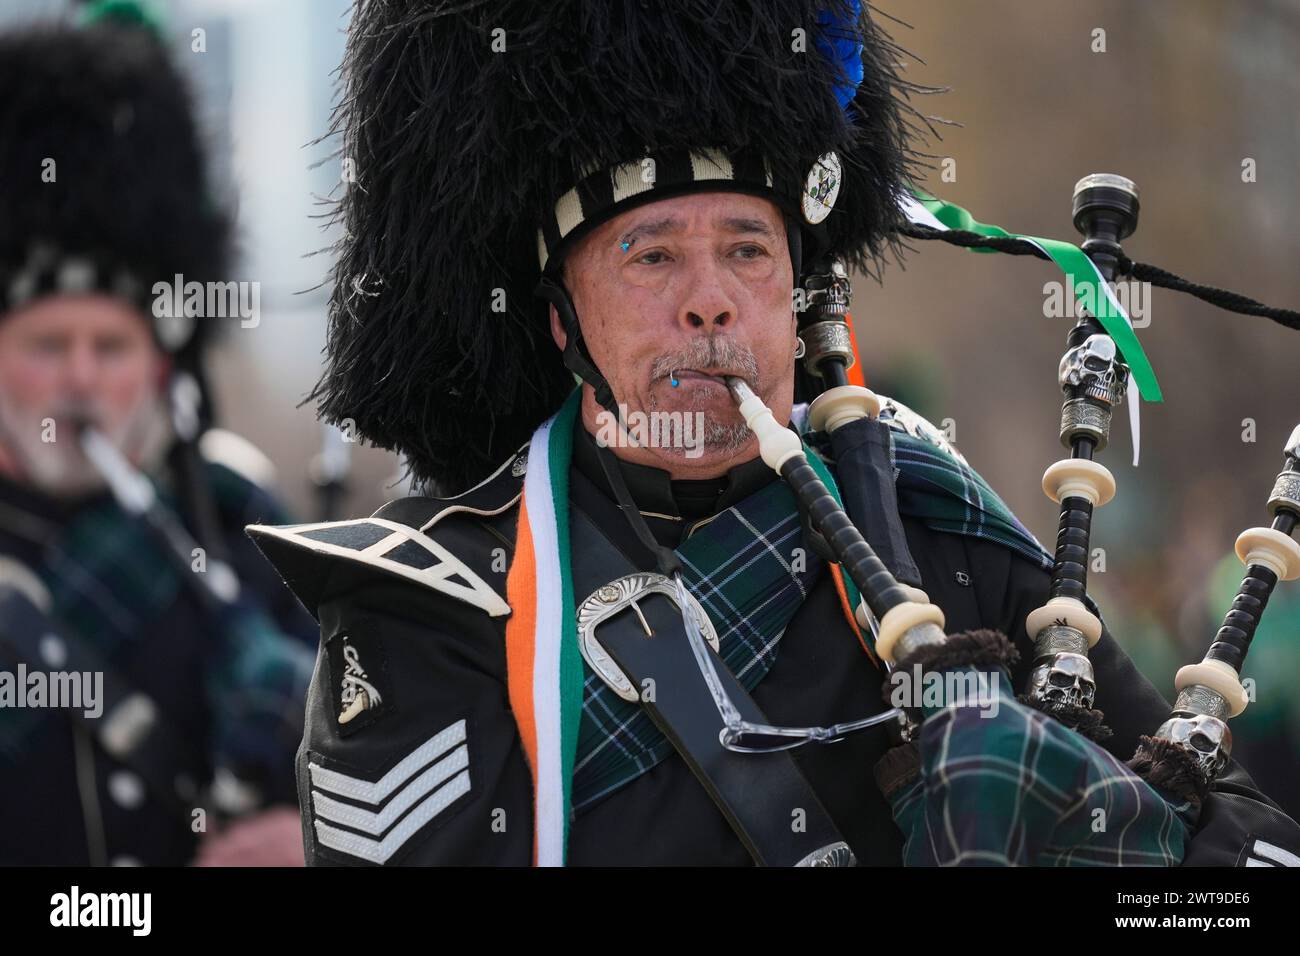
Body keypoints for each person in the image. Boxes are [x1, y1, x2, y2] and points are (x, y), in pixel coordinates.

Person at [249, 0, 1300, 865]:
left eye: (748, 251)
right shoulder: (435, 602)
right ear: (562, 318)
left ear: (796, 290)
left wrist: (1112, 831)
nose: (710, 303)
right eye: (651, 256)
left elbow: (1247, 846)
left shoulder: (941, 531)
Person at [0, 6, 313, 866]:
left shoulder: (240, 520)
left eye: (110, 347)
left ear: (163, 366)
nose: (81, 378)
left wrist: (311, 837)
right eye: (46, 345)